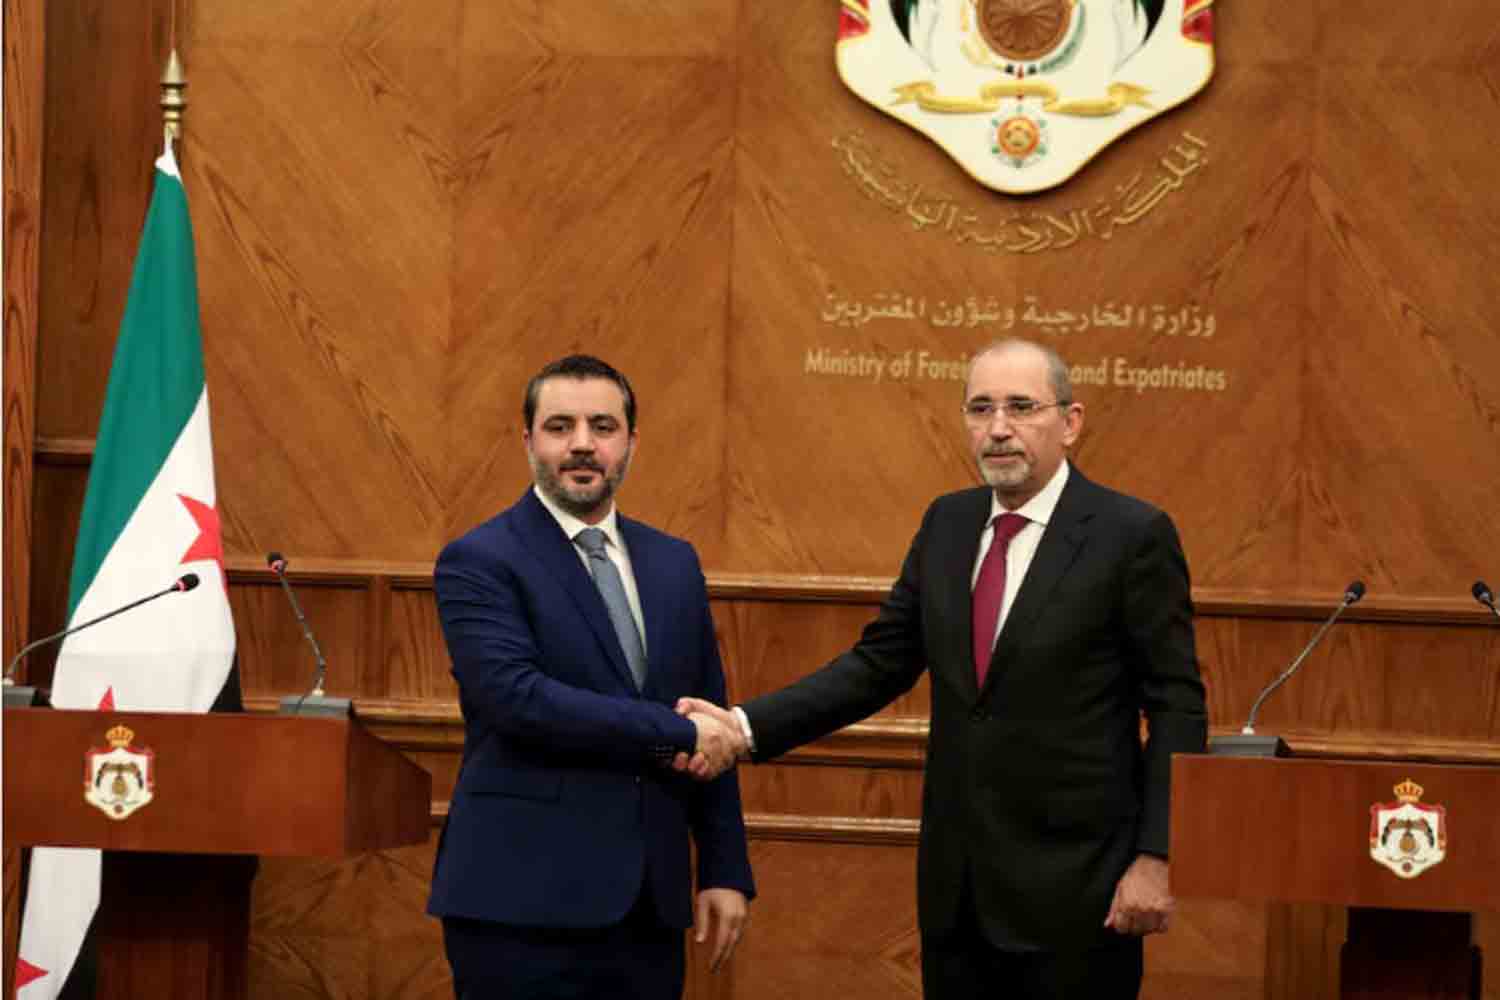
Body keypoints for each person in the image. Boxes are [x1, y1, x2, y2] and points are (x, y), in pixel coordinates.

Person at [677, 338, 1207, 1000]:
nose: (999, 429)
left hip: (1082, 893)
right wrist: (745, 726)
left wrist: (1156, 859)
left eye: (1021, 407)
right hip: (958, 896)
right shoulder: (949, 523)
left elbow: (1177, 706)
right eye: (980, 409)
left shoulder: (1132, 535)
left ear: (1071, 422)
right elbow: (879, 665)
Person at [429, 354, 754, 999]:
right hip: (518, 907)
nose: (582, 444)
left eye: (602, 426)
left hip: (647, 909)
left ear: (631, 441)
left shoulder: (673, 563)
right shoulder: (478, 560)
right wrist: (680, 732)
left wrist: (724, 868)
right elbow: (517, 700)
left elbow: (708, 709)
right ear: (528, 441)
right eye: (560, 426)